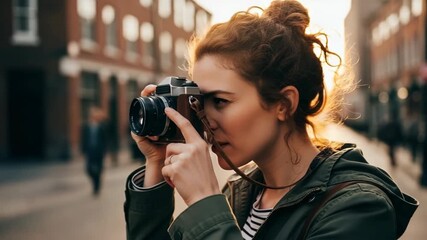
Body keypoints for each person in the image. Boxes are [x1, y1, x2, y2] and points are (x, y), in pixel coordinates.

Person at [124, 1, 418, 239]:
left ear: (283, 104)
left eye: (220, 102)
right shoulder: (239, 193)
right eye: (198, 103)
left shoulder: (357, 208)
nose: (204, 121)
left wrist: (204, 203)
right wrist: (155, 163)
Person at [81, 106, 107, 196]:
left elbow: (105, 140)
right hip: (90, 151)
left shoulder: (101, 126)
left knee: (99, 169)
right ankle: (95, 181)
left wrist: (104, 150)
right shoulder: (87, 126)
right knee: (88, 169)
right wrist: (83, 150)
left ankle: (97, 186)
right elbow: (84, 138)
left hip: (99, 151)